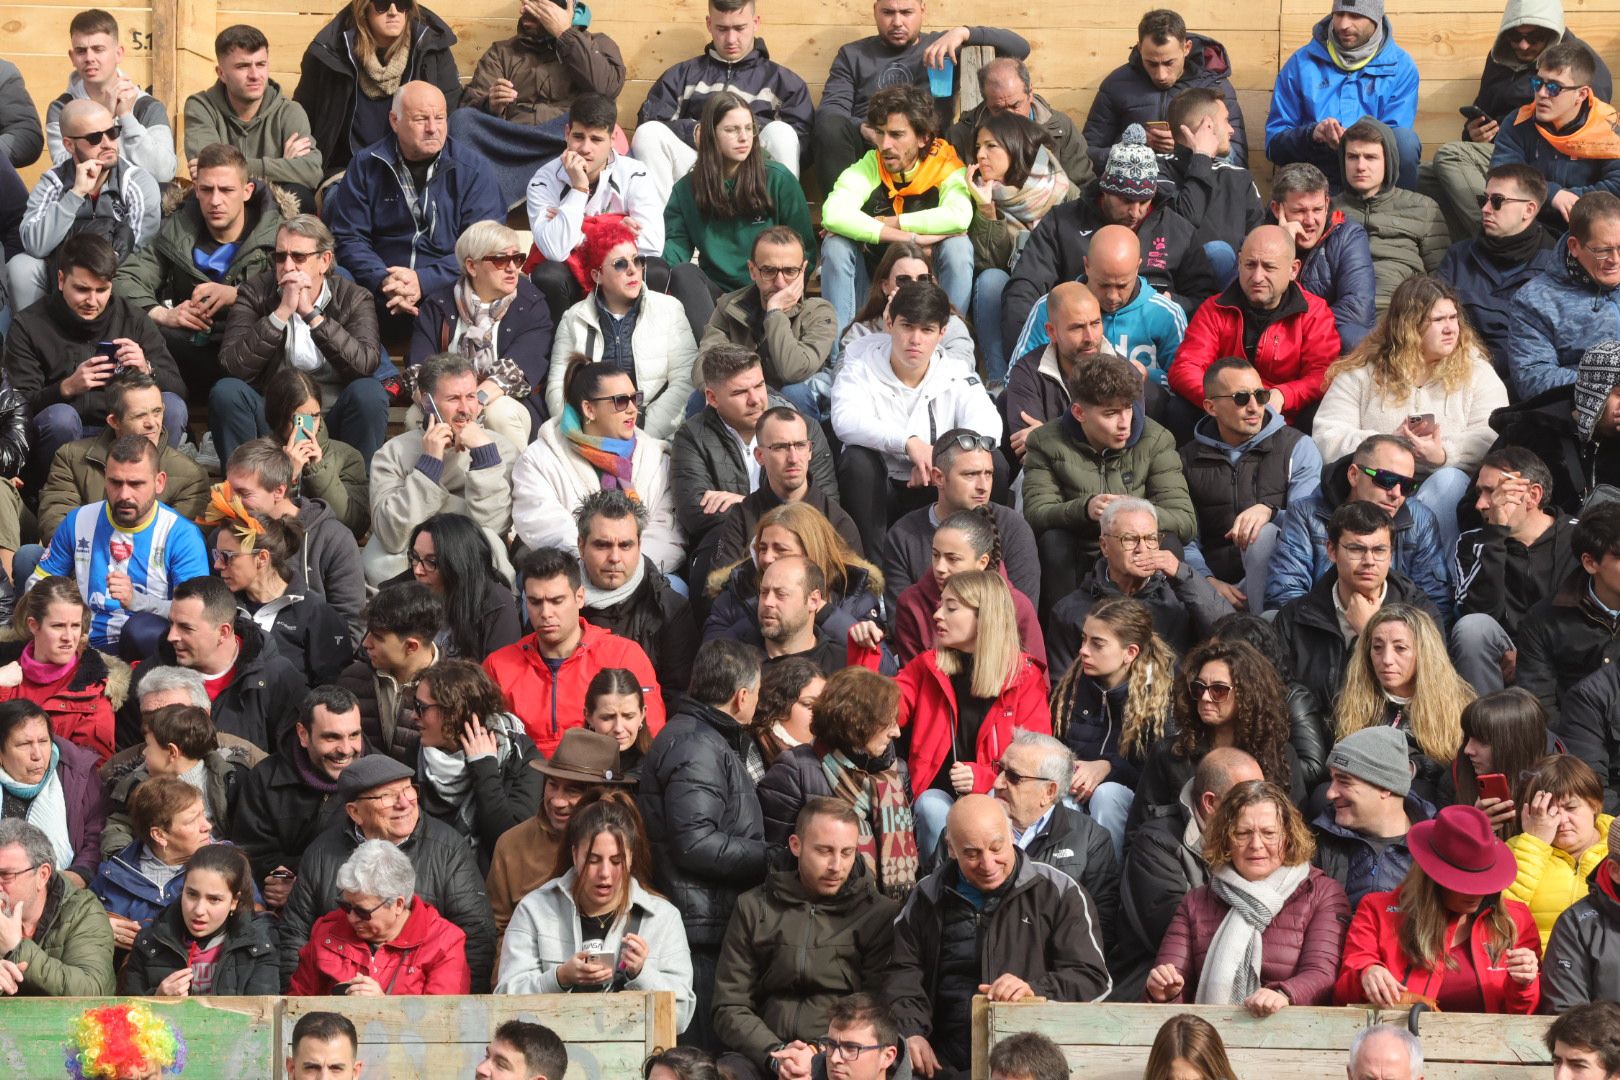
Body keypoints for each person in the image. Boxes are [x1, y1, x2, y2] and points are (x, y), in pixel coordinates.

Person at [887, 794, 1111, 1078]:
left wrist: (1034, 991)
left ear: (1012, 836)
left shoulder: (1058, 891)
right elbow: (902, 973)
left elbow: (1092, 978)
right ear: (951, 849)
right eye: (972, 854)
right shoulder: (926, 897)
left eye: (996, 848)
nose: (988, 863)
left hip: (1030, 1063)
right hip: (941, 1061)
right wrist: (910, 1031)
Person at [1315, 276, 1508, 556]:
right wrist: (1385, 447)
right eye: (1438, 320)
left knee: (1450, 481)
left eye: (1453, 317)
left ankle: (1436, 571)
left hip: (1441, 491)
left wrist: (1444, 455)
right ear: (1409, 326)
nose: (1451, 328)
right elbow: (1326, 434)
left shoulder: (1476, 372)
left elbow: (1493, 434)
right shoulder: (1363, 372)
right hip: (1376, 488)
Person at [638, 638, 768, 1049]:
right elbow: (694, 842)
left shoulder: (702, 737)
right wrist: (771, 858)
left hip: (705, 923)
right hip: (700, 932)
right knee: (700, 1058)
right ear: (741, 696)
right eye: (757, 693)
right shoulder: (698, 745)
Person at [713, 797, 901, 1080]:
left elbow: (875, 1008)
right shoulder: (753, 907)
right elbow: (729, 1004)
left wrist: (817, 1051)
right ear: (796, 845)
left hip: (839, 1055)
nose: (836, 865)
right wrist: (776, 1055)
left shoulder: (878, 914)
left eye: (847, 853)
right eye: (824, 851)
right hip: (762, 1054)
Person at [277, 754, 495, 991]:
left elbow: (475, 935)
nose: (404, 803)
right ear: (355, 812)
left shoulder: (448, 849)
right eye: (387, 796)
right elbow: (295, 936)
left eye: (408, 790)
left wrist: (467, 1004)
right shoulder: (321, 854)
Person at [1001, 127, 1219, 352]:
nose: (1135, 212)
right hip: (1074, 342)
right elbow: (1025, 287)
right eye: (1126, 200)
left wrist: (1175, 303)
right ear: (1105, 190)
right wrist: (1033, 356)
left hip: (1150, 348)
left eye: (1144, 201)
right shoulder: (1062, 222)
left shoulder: (1176, 229)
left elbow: (1206, 299)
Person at [1146, 779, 1350, 1012]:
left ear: (1289, 836)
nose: (1256, 844)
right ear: (1226, 839)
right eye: (1242, 833)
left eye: (1269, 833)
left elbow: (1322, 974)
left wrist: (1284, 994)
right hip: (1209, 1032)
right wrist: (1163, 993)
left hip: (1291, 1029)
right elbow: (1172, 980)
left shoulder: (1322, 893)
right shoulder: (1196, 901)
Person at [831, 282, 1000, 554]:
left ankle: (977, 555)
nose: (915, 339)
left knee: (993, 461)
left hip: (937, 483)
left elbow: (988, 424)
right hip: (881, 486)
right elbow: (845, 419)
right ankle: (873, 570)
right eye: (907, 326)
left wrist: (940, 458)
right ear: (889, 323)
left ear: (942, 332)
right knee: (856, 461)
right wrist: (909, 443)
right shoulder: (860, 365)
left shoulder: (956, 372)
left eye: (927, 330)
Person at [496, 792, 694, 1024]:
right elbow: (504, 1003)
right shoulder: (534, 909)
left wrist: (641, 974)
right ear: (575, 855)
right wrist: (560, 978)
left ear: (631, 857)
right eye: (593, 859)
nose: (605, 874)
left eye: (617, 861)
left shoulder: (663, 918)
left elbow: (681, 1016)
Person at [325, 81, 504, 334]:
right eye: (421, 119)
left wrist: (423, 280)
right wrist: (384, 280)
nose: (433, 128)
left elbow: (484, 246)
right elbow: (349, 238)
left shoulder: (474, 170)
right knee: (337, 279)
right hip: (378, 292)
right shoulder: (365, 165)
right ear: (394, 121)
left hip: (448, 294)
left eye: (440, 118)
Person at [113, 142, 287, 398]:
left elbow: (311, 286)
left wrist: (239, 294)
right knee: (144, 330)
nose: (215, 201)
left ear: (247, 191)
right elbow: (124, 278)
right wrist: (163, 314)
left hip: (255, 353)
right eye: (206, 190)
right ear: (196, 189)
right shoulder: (177, 231)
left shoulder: (278, 234)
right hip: (193, 348)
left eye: (226, 190)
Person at [7, 233, 186, 479]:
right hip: (64, 434)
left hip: (124, 430)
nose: (92, 301)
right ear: (61, 280)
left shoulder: (134, 319)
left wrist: (147, 370)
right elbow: (15, 408)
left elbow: (179, 391)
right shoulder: (28, 325)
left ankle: (147, 486)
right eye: (82, 289)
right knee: (61, 418)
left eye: (102, 290)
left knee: (172, 406)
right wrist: (65, 388)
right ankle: (54, 491)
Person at [1428, 0, 1612, 239]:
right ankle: (1492, 240)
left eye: (1533, 38)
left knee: (1451, 156)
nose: (1523, 45)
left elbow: (1614, 186)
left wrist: (1564, 197)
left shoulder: (1604, 119)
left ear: (1582, 95)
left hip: (1566, 195)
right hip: (1511, 152)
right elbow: (1505, 171)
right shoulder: (1516, 115)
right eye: (1515, 37)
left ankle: (1497, 238)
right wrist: (1472, 132)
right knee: (1426, 178)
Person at [898, 571, 1050, 858]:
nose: (937, 615)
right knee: (930, 804)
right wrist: (866, 656)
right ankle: (940, 882)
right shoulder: (927, 667)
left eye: (951, 608)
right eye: (940, 605)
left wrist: (983, 779)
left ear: (984, 618)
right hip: (940, 799)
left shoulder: (1024, 677)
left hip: (1002, 800)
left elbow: (1037, 761)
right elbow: (880, 713)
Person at [1023, 352, 1196, 604]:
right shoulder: (1044, 441)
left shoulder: (1157, 439)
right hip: (1080, 553)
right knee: (1053, 542)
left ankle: (1161, 622)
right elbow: (1036, 514)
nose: (1124, 423)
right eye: (1111, 413)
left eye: (1128, 408)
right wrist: (1085, 508)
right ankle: (1064, 623)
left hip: (1136, 550)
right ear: (1079, 412)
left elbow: (1185, 521)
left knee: (1169, 544)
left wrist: (1133, 513)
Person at [1334, 803, 1542, 1013]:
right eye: (1464, 883)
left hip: (1493, 1034)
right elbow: (1342, 996)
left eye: (1484, 881)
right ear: (1432, 877)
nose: (1476, 893)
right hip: (1400, 1032)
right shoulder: (1377, 910)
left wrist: (1524, 985)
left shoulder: (1516, 919)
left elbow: (1524, 1017)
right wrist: (1365, 974)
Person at [215, 214, 387, 466]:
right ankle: (243, 484)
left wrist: (312, 316)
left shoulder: (354, 298)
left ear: (324, 260)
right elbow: (233, 365)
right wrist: (281, 313)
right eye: (280, 256)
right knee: (226, 392)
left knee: (369, 393)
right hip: (274, 416)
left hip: (332, 417)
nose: (287, 266)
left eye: (298, 257)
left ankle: (359, 485)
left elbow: (364, 364)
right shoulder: (254, 292)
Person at [810, 0, 1029, 192]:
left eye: (906, 12)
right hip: (870, 151)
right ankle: (844, 208)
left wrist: (964, 33)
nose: (897, 22)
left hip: (927, 154)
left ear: (922, 10)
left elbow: (1020, 48)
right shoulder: (853, 55)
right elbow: (830, 110)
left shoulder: (943, 47)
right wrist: (864, 129)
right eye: (888, 12)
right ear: (875, 10)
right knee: (829, 125)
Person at [31, 435, 210, 661]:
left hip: (142, 649)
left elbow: (196, 614)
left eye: (136, 484)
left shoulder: (181, 535)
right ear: (105, 478)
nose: (124, 495)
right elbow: (38, 582)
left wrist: (138, 601)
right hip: (79, 641)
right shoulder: (79, 521)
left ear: (159, 482)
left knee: (140, 630)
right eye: (115, 483)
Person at [1109, 748, 1264, 1002]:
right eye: (1249, 797)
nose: (1262, 804)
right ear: (1210, 803)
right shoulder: (1157, 843)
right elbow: (1176, 933)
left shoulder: (1262, 843)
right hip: (1154, 989)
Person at [819, 85, 974, 334]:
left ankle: (949, 343)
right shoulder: (872, 164)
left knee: (959, 247)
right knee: (836, 245)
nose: (885, 145)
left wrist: (889, 222)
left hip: (928, 292)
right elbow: (833, 213)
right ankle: (842, 351)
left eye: (896, 134)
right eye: (880, 133)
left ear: (923, 137)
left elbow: (959, 216)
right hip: (873, 289)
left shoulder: (945, 163)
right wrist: (911, 238)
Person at [484, 546, 665, 758]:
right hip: (521, 775)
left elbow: (651, 735)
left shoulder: (624, 655)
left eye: (556, 601)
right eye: (535, 602)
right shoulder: (498, 666)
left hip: (606, 774)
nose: (546, 613)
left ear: (579, 597)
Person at [1272, 501, 1446, 715]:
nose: (1369, 561)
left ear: (1391, 554)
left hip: (1395, 733)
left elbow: (1432, 697)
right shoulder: (1295, 617)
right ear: (1332, 551)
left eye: (1379, 550)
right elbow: (1280, 698)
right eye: (1356, 549)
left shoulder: (1422, 614)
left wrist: (1370, 631)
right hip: (1314, 732)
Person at [449, 0, 626, 210]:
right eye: (524, 4)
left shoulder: (598, 45)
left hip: (562, 144)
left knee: (593, 128)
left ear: (562, 9)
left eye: (535, 7)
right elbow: (469, 106)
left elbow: (606, 90)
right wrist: (490, 105)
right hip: (512, 145)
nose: (523, 11)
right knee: (461, 120)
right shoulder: (502, 52)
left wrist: (565, 35)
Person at [511, 358, 683, 573]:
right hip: (567, 574)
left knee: (676, 588)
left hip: (644, 574)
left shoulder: (656, 458)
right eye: (621, 401)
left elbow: (666, 531)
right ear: (589, 409)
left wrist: (630, 570)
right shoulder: (540, 458)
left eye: (635, 398)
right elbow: (545, 526)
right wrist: (596, 567)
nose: (632, 409)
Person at [1180, 356, 1322, 613]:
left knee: (1263, 535)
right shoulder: (1186, 460)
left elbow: (1310, 525)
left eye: (1261, 395)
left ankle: (1265, 627)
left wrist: (1271, 512)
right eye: (1241, 398)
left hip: (1280, 583)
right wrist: (1206, 581)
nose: (1254, 407)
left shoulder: (1297, 447)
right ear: (1211, 407)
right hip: (1213, 587)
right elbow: (1186, 537)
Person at [367, 352, 520, 587]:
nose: (465, 409)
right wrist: (429, 465)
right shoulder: (392, 452)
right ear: (427, 402)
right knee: (378, 557)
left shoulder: (500, 448)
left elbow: (494, 528)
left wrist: (484, 457)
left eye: (471, 396)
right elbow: (392, 535)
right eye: (453, 398)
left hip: (469, 557)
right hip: (412, 558)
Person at [755, 668, 915, 891]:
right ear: (856, 722)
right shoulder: (794, 770)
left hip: (887, 908)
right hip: (816, 905)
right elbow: (775, 858)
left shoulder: (897, 773)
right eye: (887, 722)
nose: (896, 732)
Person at [1265, 435, 1453, 619]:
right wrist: (1342, 626)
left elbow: (1435, 608)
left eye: (1406, 485)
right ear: (1354, 475)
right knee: (1271, 617)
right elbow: (1286, 595)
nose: (1396, 493)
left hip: (1396, 636)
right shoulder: (1306, 513)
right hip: (1318, 630)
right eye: (1387, 480)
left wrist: (1377, 630)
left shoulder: (1421, 520)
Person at [1169, 225, 1341, 426]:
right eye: (1250, 265)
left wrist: (1284, 395)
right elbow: (1185, 367)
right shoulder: (1214, 308)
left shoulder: (1315, 313)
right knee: (1177, 408)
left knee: (1318, 411)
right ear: (1239, 263)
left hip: (1283, 417)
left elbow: (1323, 375)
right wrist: (1225, 401)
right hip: (1223, 415)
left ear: (1293, 270)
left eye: (1269, 267)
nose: (1257, 277)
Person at [672, 348, 837, 556]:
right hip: (729, 550)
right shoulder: (692, 436)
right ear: (712, 398)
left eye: (759, 386)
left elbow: (826, 508)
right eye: (740, 392)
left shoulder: (804, 429)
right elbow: (694, 514)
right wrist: (780, 509)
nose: (755, 399)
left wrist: (745, 504)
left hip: (800, 550)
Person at [1130, 639, 1304, 835]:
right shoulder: (1170, 754)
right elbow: (1139, 830)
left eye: (1218, 690)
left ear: (1247, 695)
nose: (1205, 697)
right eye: (1199, 688)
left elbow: (1295, 831)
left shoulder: (1279, 755)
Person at [1048, 596, 1176, 861]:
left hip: (1129, 807)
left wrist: (1108, 767)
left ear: (1130, 652)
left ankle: (1111, 880)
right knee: (1060, 798)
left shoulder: (1160, 697)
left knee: (1107, 795)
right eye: (1084, 640)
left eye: (1097, 644)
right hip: (1077, 792)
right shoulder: (1073, 687)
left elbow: (1159, 779)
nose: (1083, 651)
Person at [407, 219, 554, 448]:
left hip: (509, 401)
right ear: (471, 266)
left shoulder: (532, 304)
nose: (512, 268)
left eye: (517, 258)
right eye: (500, 260)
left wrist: (472, 405)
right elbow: (418, 372)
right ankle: (431, 470)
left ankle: (515, 471)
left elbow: (513, 373)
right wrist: (437, 408)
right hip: (448, 401)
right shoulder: (438, 305)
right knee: (415, 416)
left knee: (499, 413)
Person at [545, 218, 696, 440]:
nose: (633, 270)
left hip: (654, 434)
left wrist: (640, 433)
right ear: (597, 275)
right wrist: (586, 433)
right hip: (591, 434)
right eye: (620, 264)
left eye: (637, 260)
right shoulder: (573, 318)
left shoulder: (669, 309)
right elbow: (558, 389)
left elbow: (686, 381)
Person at [634, 7, 813, 192]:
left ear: (755, 23)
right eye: (722, 29)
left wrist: (736, 131)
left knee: (782, 133)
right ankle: (665, 212)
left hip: (754, 174)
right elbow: (651, 121)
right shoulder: (680, 76)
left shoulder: (784, 83)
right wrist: (694, 131)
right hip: (696, 171)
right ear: (709, 24)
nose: (731, 39)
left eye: (740, 28)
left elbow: (803, 146)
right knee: (648, 134)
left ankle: (780, 211)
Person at [124, 574, 308, 752]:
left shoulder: (278, 678)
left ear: (223, 632)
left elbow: (292, 761)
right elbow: (129, 758)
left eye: (186, 627)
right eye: (171, 623)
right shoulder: (147, 678)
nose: (171, 636)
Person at [10, 96, 161, 314]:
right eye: (94, 138)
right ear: (69, 145)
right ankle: (35, 332)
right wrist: (75, 194)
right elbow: (34, 244)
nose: (107, 143)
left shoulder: (137, 182)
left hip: (117, 274)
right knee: (21, 267)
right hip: (62, 274)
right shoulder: (53, 182)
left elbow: (139, 248)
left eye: (112, 132)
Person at [1046, 497, 1229, 674]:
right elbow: (1063, 686)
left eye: (1151, 539)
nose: (1142, 549)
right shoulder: (1071, 611)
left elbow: (1230, 635)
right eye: (1130, 539)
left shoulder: (1180, 598)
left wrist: (1183, 574)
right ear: (1104, 546)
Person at [526, 94, 664, 325]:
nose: (585, 148)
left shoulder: (635, 173)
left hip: (620, 271)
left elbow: (653, 244)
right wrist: (579, 189)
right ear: (566, 133)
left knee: (657, 269)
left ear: (613, 139)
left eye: (596, 139)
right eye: (578, 137)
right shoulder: (543, 180)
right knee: (548, 274)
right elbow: (555, 250)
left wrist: (581, 233)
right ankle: (561, 344)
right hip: (569, 276)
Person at [33, 371, 208, 551]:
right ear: (114, 421)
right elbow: (56, 525)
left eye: (157, 412)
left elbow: (181, 544)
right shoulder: (71, 457)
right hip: (81, 560)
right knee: (29, 555)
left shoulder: (190, 475)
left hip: (152, 567)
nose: (152, 423)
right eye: (140, 416)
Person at [484, 726, 636, 934]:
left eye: (572, 790)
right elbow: (498, 929)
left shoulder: (627, 842)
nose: (557, 801)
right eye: (552, 785)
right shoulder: (512, 844)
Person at [1005, 224, 1187, 392]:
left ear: (1138, 267)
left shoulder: (1167, 314)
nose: (1112, 296)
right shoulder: (1052, 306)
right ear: (1087, 266)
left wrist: (1147, 378)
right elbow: (1015, 379)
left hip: (1141, 410)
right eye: (1103, 285)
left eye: (1122, 286)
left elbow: (1183, 385)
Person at [229, 686, 366, 909]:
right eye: (332, 737)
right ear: (303, 734)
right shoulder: (265, 779)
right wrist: (279, 879)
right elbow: (251, 853)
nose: (345, 749)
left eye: (354, 735)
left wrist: (303, 885)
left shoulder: (381, 782)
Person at [294, 0, 461, 183]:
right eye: (382, 3)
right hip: (346, 174)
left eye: (402, 3)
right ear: (364, 7)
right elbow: (304, 116)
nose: (393, 11)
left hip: (416, 173)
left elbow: (452, 118)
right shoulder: (330, 52)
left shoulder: (432, 51)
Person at [1453, 449, 1577, 693]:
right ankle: (1485, 717)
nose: (1480, 504)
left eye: (1493, 492)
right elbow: (1480, 614)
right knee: (1472, 629)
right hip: (1503, 655)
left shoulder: (1579, 539)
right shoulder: (1472, 543)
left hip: (1564, 656)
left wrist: (1531, 654)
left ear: (1532, 495)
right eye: (1479, 493)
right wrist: (1494, 536)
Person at [705, 493, 888, 657]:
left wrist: (826, 613)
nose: (767, 558)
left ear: (810, 552)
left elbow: (886, 670)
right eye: (762, 548)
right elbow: (709, 665)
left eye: (780, 549)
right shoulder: (736, 594)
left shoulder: (853, 595)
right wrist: (765, 615)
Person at [965, 111, 1074, 387]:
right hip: (1013, 289)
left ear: (1015, 145)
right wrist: (986, 210)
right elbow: (990, 263)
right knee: (990, 279)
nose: (980, 155)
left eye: (991, 146)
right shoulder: (976, 192)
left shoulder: (1060, 188)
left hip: (1056, 282)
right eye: (978, 147)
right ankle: (1000, 381)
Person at [1264, 0, 1422, 191]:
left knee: (1405, 142)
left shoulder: (1401, 67)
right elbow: (1274, 146)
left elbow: (1395, 140)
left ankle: (1394, 207)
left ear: (1376, 19)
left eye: (1355, 16)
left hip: (1372, 176)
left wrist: (1354, 142)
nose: (1343, 25)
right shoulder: (1300, 63)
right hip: (1317, 177)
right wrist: (1312, 135)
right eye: (1339, 14)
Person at [222, 438, 366, 644]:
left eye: (244, 493)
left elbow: (349, 626)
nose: (232, 501)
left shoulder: (333, 539)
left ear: (279, 491)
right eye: (230, 491)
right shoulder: (226, 537)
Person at [881, 427, 1038, 612]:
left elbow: (1023, 616)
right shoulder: (903, 536)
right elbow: (901, 619)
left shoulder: (1013, 528)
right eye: (970, 475)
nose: (983, 486)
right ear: (938, 477)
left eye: (988, 474)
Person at [289, 837, 472, 995]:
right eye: (346, 906)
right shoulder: (327, 932)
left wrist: (383, 1008)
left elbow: (444, 1019)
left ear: (398, 905)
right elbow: (295, 1006)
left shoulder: (444, 943)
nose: (351, 918)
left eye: (362, 911)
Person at [701, 403, 855, 588]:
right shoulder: (742, 517)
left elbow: (855, 594)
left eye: (800, 445)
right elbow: (719, 592)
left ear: (810, 451)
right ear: (759, 456)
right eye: (780, 447)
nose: (793, 458)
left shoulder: (836, 521)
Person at [412, 659, 543, 872]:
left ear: (454, 712)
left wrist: (484, 769)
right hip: (435, 875)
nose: (413, 716)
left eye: (421, 708)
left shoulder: (519, 755)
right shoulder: (417, 751)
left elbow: (509, 845)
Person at [698, 227, 836, 420]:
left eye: (790, 271)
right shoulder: (729, 306)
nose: (780, 283)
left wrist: (775, 312)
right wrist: (736, 393)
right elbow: (704, 366)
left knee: (795, 392)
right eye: (769, 271)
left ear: (803, 270)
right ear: (752, 270)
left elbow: (794, 371)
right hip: (741, 400)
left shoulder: (819, 312)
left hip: (796, 410)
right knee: (700, 396)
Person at [990, 731, 1119, 938]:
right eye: (999, 769)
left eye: (1013, 777)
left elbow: (1099, 925)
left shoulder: (1091, 839)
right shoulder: (966, 828)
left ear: (1049, 791)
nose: (997, 783)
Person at [1435, 164, 1561, 376]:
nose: (1485, 209)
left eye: (1497, 201)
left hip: (1525, 381)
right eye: (1483, 199)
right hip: (1457, 373)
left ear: (1529, 210)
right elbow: (1434, 323)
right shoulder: (1458, 256)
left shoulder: (1556, 267)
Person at [576, 492, 697, 708]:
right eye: (602, 545)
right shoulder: (556, 603)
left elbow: (678, 698)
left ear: (640, 545)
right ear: (581, 546)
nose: (615, 557)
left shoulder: (669, 610)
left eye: (625, 545)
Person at [206, 508, 350, 688]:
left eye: (227, 556)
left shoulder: (316, 613)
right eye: (216, 554)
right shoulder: (220, 605)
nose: (217, 565)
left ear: (262, 558)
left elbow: (331, 690)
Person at [184, 25, 323, 211]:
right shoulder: (201, 107)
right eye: (243, 66)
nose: (255, 75)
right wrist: (284, 166)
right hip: (220, 203)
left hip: (272, 207)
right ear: (221, 73)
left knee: (301, 196)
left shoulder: (289, 112)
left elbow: (312, 172)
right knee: (189, 204)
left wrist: (231, 167)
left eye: (261, 64)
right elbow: (209, 170)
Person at [1083, 9, 1249, 165]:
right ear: (1140, 49)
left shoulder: (1214, 86)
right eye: (1152, 63)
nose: (1161, 75)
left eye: (1169, 63)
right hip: (1133, 185)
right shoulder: (1117, 84)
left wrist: (1187, 148)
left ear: (1186, 48)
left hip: (1195, 185)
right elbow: (1087, 156)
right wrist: (1135, 145)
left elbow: (1237, 159)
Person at [1492, 41, 1620, 233]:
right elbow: (1502, 174)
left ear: (1581, 94)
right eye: (1537, 83)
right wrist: (1552, 194)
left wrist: (1572, 200)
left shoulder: (1609, 127)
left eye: (1554, 88)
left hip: (1589, 228)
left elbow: (1616, 186)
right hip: (1530, 225)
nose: (1542, 94)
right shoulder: (1518, 121)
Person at [0, 576, 128, 765]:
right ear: (33, 625)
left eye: (75, 626)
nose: (68, 637)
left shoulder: (94, 691)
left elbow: (88, 773)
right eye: (58, 626)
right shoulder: (4, 670)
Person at [102, 701, 256, 858]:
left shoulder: (230, 779)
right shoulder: (137, 785)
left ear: (172, 751)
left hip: (218, 863)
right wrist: (121, 858)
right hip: (159, 863)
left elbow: (247, 834)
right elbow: (120, 825)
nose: (144, 752)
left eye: (148, 745)